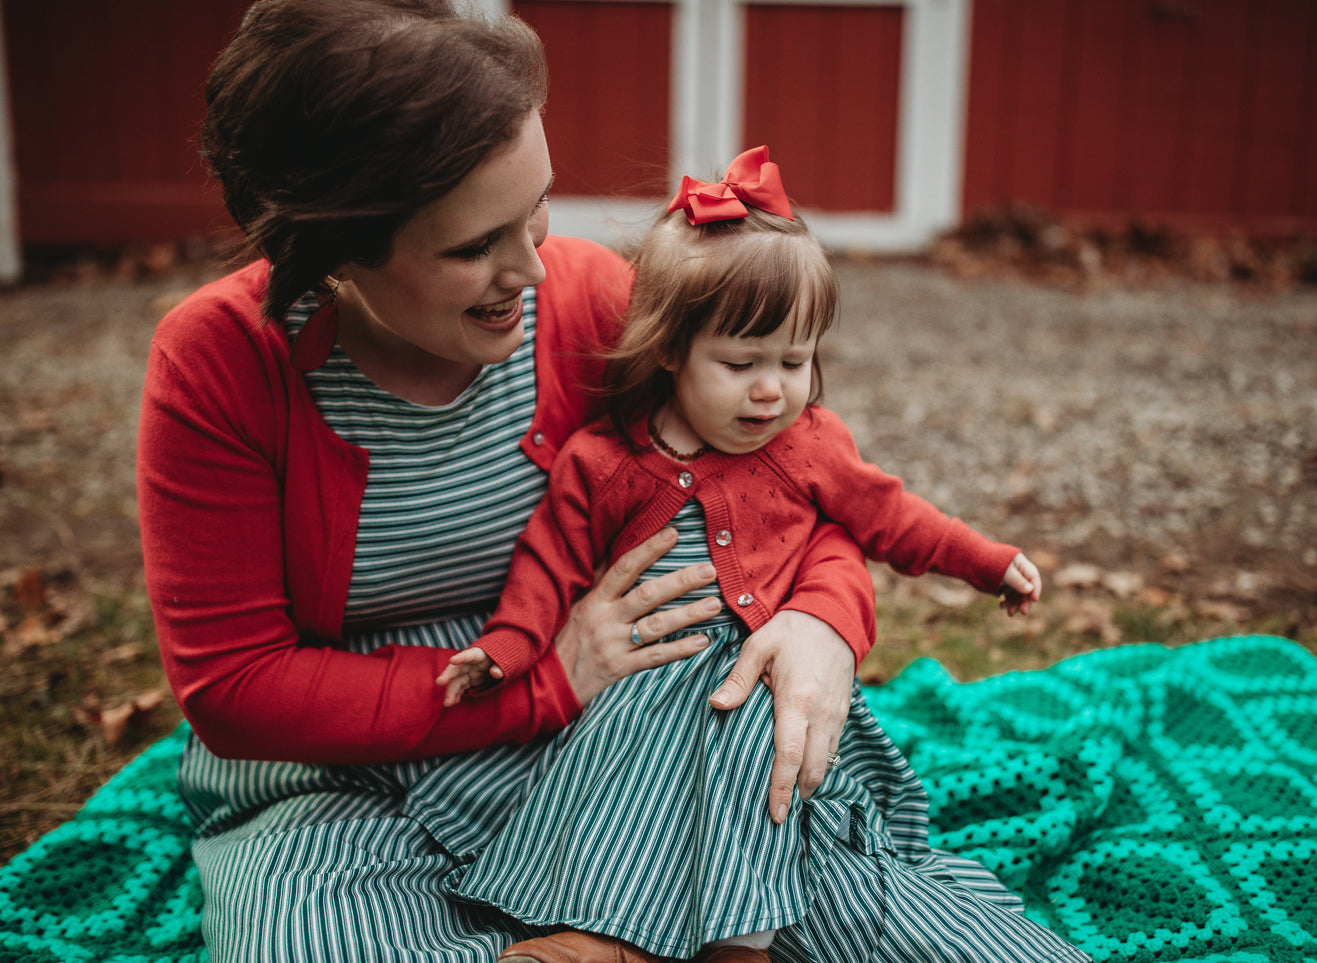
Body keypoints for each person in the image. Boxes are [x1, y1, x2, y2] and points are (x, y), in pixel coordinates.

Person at [137, 2, 882, 960]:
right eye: (470, 247)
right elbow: (235, 686)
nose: (529, 268)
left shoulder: (589, 302)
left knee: (846, 917)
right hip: (332, 786)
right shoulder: (220, 361)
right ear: (333, 252)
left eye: (535, 209)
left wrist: (824, 618)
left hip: (607, 752)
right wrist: (547, 681)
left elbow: (795, 475)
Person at [433, 148, 1084, 963]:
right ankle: (598, 936)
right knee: (620, 778)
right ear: (670, 350)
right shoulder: (601, 462)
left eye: (794, 360)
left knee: (754, 749)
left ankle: (737, 943)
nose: (771, 390)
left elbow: (891, 517)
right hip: (643, 680)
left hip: (763, 673)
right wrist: (505, 647)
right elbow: (546, 565)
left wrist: (986, 561)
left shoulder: (808, 445)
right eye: (740, 365)